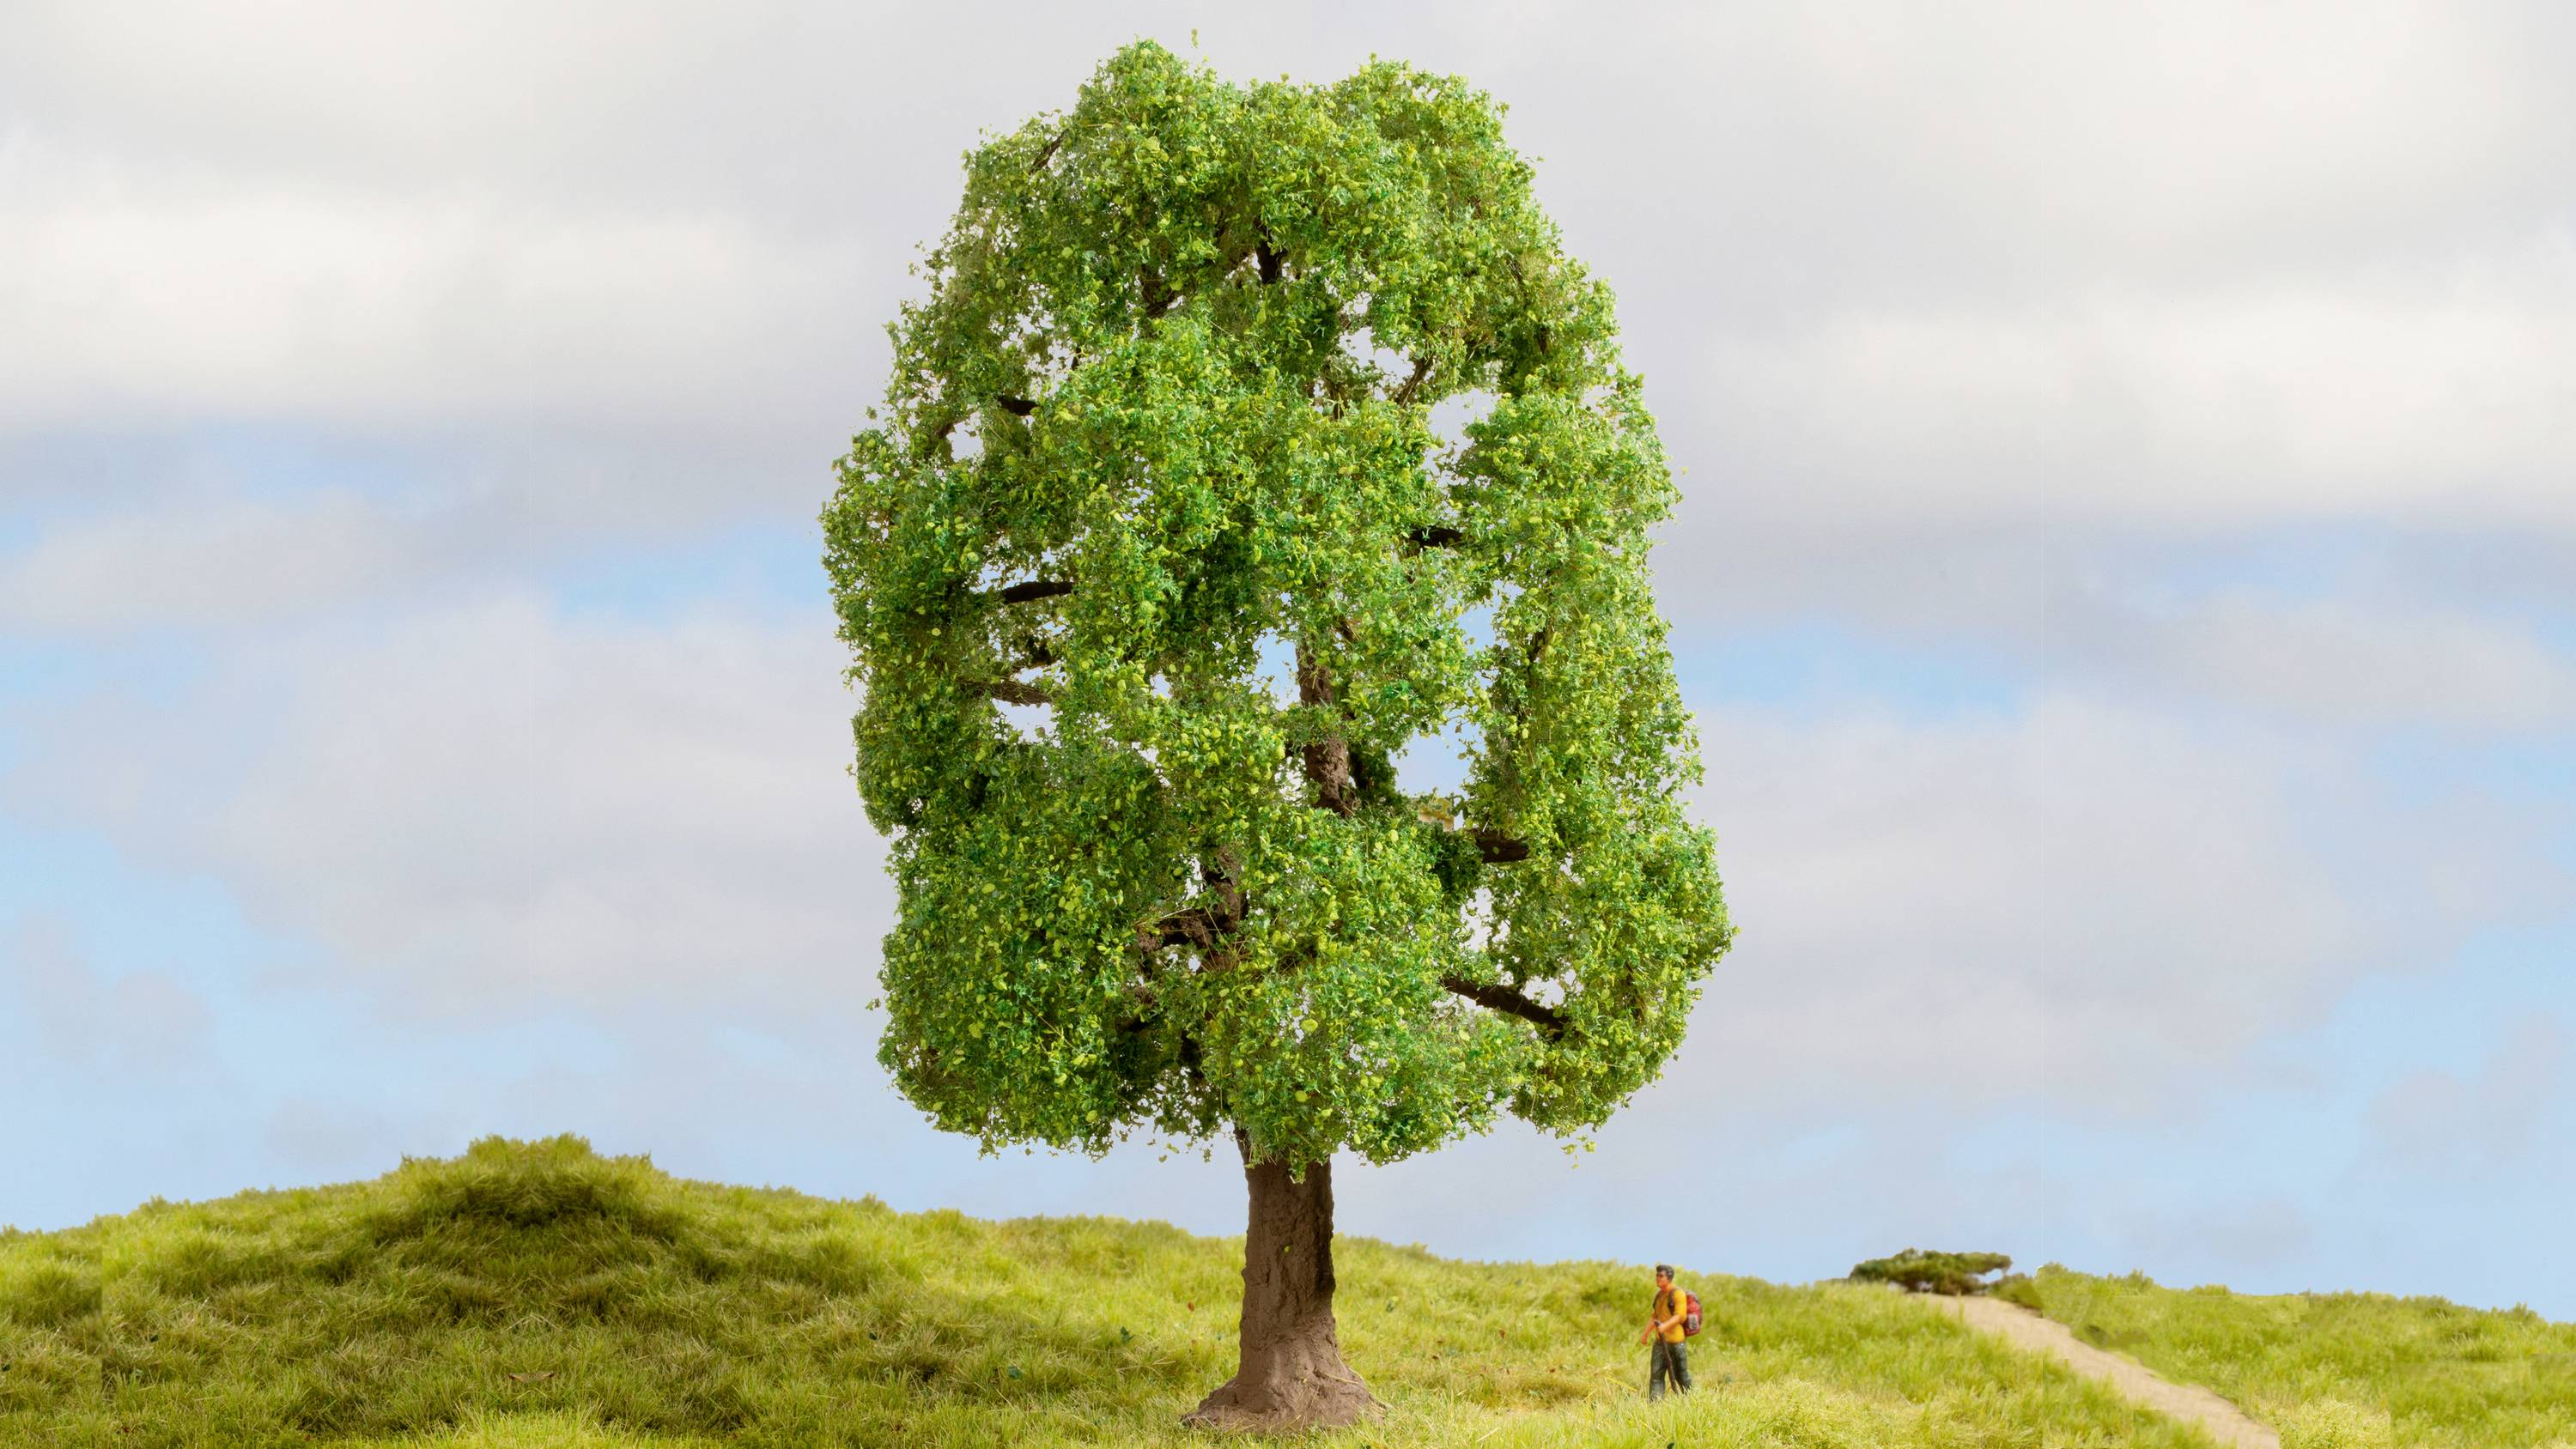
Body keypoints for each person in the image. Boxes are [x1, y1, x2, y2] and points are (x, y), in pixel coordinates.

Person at [1638, 1263, 1692, 1398]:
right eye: (1657, 1275)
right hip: (1659, 1343)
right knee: (1656, 1375)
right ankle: (1655, 1405)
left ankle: (1694, 1399)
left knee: (1682, 1375)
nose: (1658, 1278)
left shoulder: (1678, 1294)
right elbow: (1654, 1316)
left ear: (1669, 1278)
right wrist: (1645, 1335)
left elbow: (1680, 1316)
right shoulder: (1659, 1296)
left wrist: (1664, 1326)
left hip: (1676, 1343)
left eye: (1661, 1276)